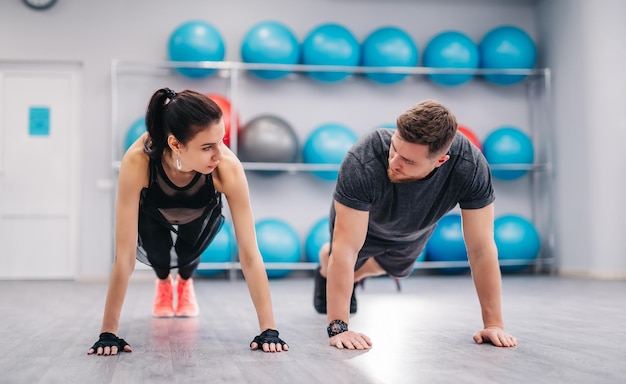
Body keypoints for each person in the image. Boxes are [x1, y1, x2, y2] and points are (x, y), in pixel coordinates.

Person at [88, 88, 288, 355]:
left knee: (186, 255)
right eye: (207, 147)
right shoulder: (138, 161)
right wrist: (108, 333)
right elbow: (123, 257)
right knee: (158, 258)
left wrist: (269, 331)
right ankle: (163, 283)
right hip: (153, 210)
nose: (219, 154)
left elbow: (250, 255)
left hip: (198, 209)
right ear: (175, 144)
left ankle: (183, 283)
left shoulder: (227, 167)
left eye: (221, 141)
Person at [313, 99, 517, 350]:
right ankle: (327, 266)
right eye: (394, 148)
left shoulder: (469, 167)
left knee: (395, 270)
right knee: (340, 257)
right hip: (363, 222)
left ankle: (341, 270)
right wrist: (339, 328)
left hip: (414, 228)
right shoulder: (363, 159)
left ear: (441, 161)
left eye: (408, 161)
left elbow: (481, 249)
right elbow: (345, 249)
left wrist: (494, 325)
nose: (394, 162)